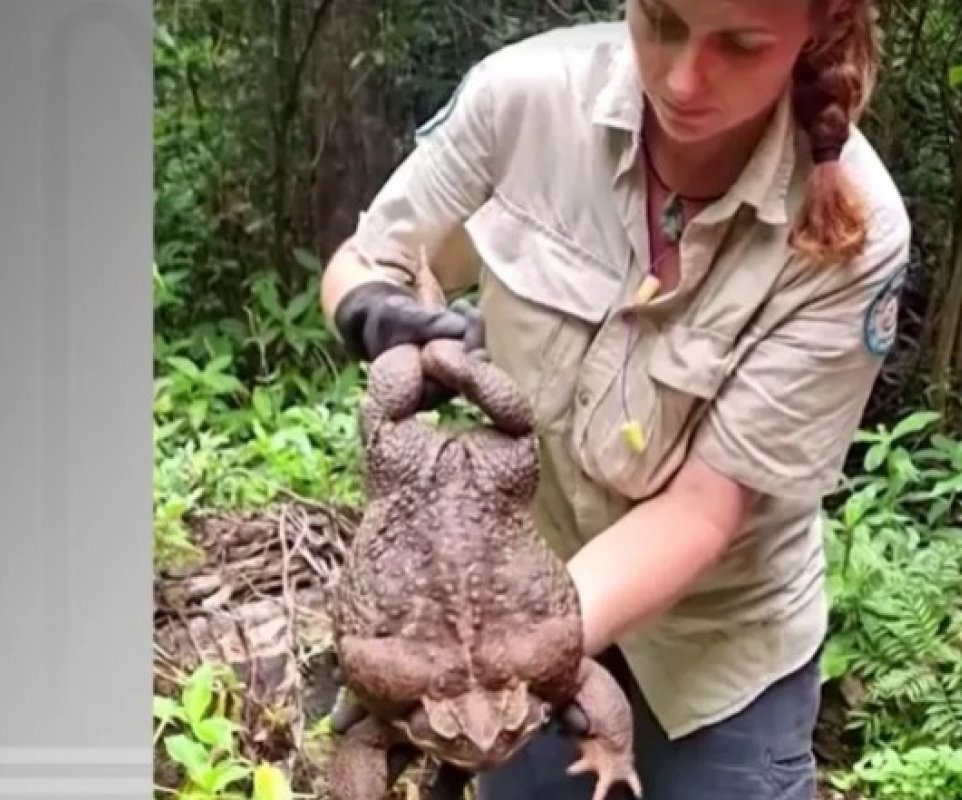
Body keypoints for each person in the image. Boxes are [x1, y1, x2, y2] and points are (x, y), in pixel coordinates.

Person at [318, 0, 911, 798]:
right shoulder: (524, 99)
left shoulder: (852, 229)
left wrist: (479, 662)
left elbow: (702, 510)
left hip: (712, 658)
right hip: (508, 605)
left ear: (820, 29)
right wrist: (375, 313)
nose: (682, 77)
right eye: (661, 20)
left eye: (740, 44)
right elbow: (366, 260)